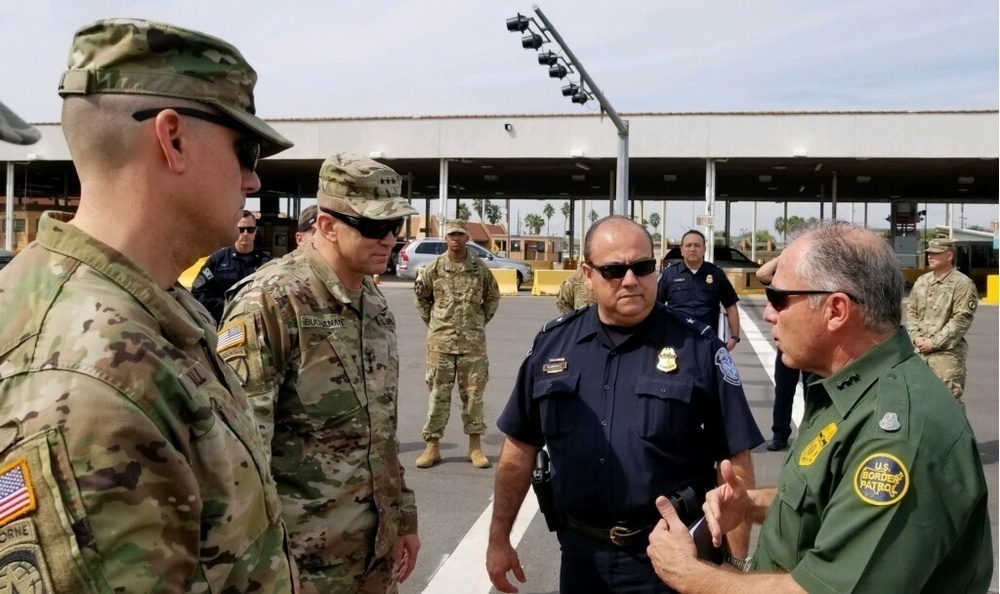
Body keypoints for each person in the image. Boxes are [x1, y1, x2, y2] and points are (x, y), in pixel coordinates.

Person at [0, 17, 297, 592]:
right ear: (173, 138)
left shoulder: (147, 304)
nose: (252, 180)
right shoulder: (87, 383)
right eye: (246, 150)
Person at [646, 221, 993, 593]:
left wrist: (690, 573)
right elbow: (825, 500)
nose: (768, 314)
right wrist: (751, 504)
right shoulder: (846, 389)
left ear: (836, 310)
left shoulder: (898, 436)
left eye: (779, 299)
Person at [487, 215, 762, 594]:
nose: (630, 279)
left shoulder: (699, 348)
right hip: (582, 559)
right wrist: (499, 538)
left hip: (673, 557)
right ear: (587, 274)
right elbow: (519, 448)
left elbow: (735, 465)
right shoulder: (552, 346)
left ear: (657, 268)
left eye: (643, 267)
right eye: (614, 270)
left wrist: (732, 567)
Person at [218, 153, 420, 594]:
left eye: (396, 227)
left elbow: (380, 431)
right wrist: (260, 568)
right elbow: (240, 457)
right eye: (373, 227)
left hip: (373, 553)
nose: (389, 239)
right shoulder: (271, 302)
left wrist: (403, 516)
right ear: (327, 226)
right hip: (300, 564)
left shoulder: (373, 303)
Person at [414, 219, 502, 469]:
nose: (456, 239)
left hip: (472, 345)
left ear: (466, 238)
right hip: (440, 345)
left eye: (460, 235)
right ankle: (432, 446)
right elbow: (422, 299)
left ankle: (475, 447)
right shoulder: (434, 268)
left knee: (474, 397)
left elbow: (493, 296)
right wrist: (435, 325)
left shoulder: (479, 268)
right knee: (437, 397)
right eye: (452, 235)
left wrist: (479, 322)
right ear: (446, 239)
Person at [906, 237, 979, 406]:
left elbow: (961, 319)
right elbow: (912, 311)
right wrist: (916, 337)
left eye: (936, 253)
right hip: (919, 353)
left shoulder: (962, 284)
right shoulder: (922, 282)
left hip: (946, 355)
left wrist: (933, 343)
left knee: (948, 406)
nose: (930, 256)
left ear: (949, 256)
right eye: (929, 253)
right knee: (917, 402)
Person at [657, 230, 741, 350]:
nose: (692, 249)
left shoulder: (716, 274)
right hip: (676, 340)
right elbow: (656, 306)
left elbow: (731, 306)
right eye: (688, 245)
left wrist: (734, 336)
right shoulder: (669, 275)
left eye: (697, 245)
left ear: (704, 249)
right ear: (682, 249)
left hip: (708, 340)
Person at [755, 256, 807, 451]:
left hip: (812, 342)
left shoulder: (814, 279)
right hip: (786, 344)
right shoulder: (782, 280)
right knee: (784, 391)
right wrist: (786, 255)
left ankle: (810, 433)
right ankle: (780, 434)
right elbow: (762, 273)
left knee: (814, 393)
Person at [192, 210, 271, 321]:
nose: (245, 234)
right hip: (223, 322)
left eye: (250, 229)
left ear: (255, 231)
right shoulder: (217, 260)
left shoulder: (266, 263)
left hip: (256, 323)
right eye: (241, 229)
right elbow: (198, 293)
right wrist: (228, 305)